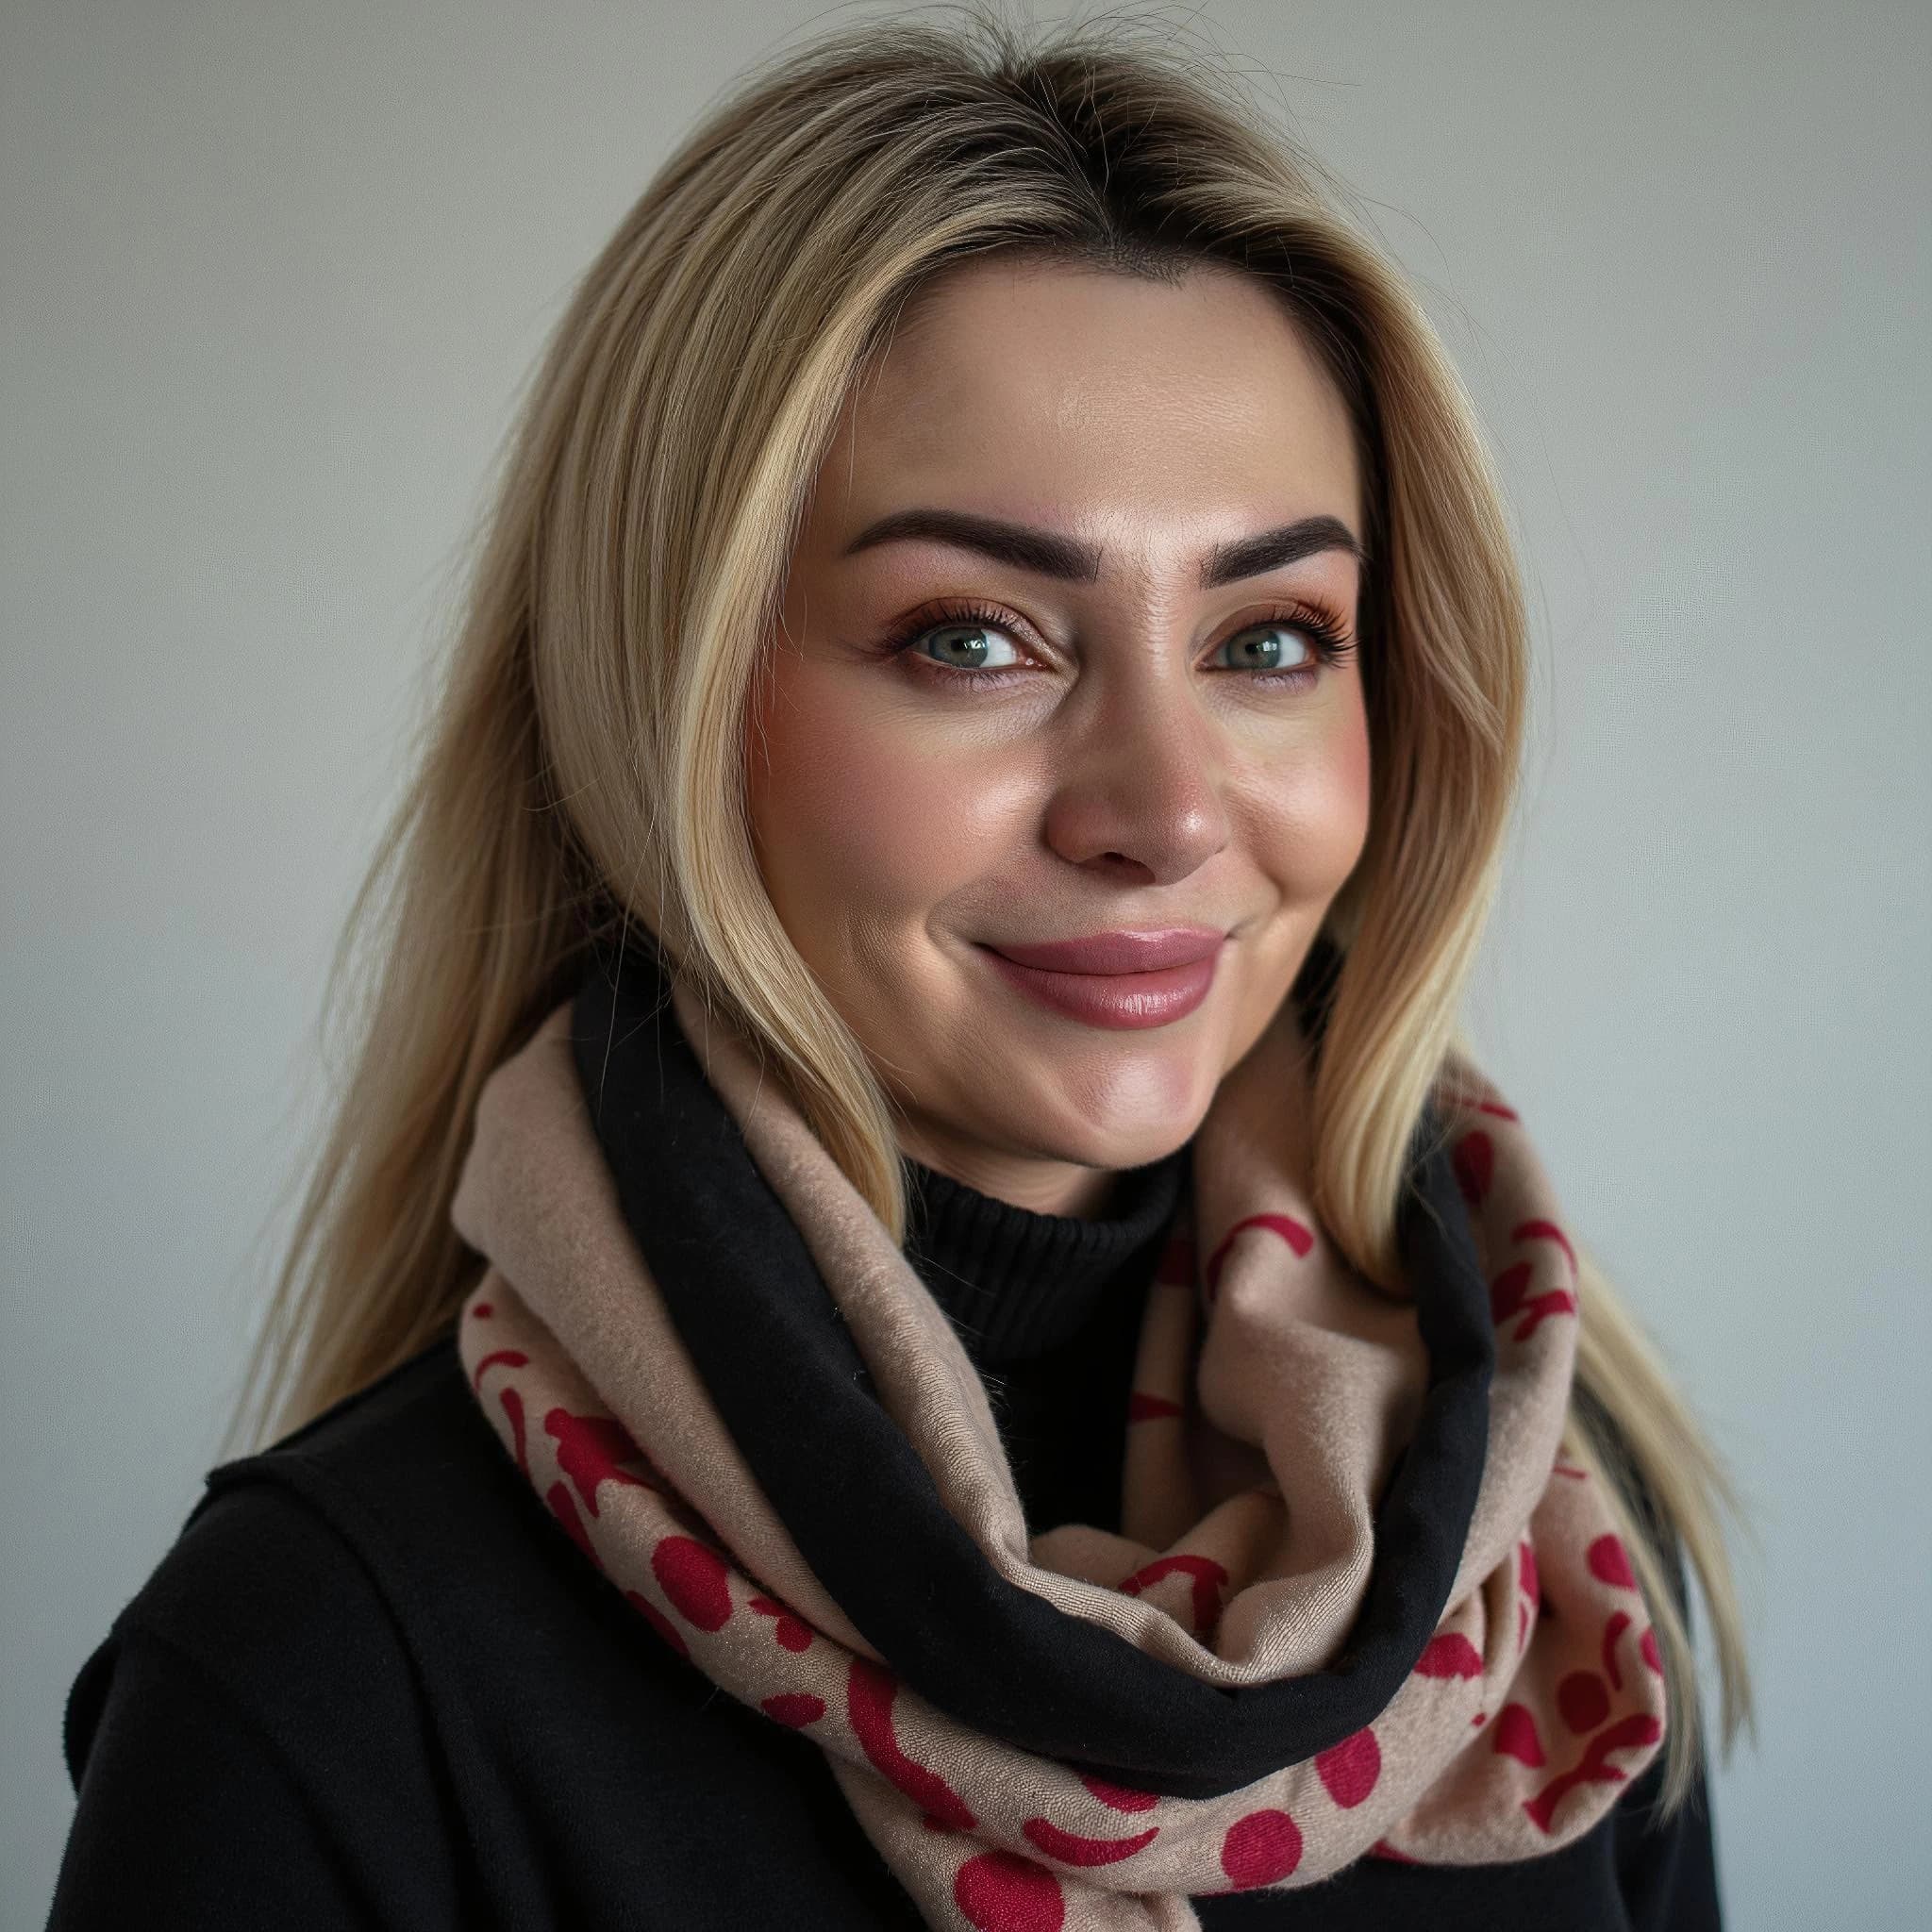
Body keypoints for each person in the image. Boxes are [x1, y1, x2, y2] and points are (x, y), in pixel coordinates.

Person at [46, 12, 1753, 1928]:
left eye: (1268, 640)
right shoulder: (330, 1667)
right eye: (973, 638)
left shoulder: (1540, 1539)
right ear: (671, 701)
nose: (1163, 808)